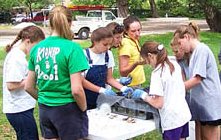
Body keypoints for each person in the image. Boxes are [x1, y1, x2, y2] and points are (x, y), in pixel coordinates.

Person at [24, 6, 89, 140]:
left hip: (45, 109)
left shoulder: (37, 49)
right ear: (70, 23)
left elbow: (28, 87)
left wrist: (45, 100)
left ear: (49, 23)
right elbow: (76, 89)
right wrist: (83, 108)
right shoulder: (73, 48)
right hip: (68, 109)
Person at [131, 41, 192, 140]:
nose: (148, 64)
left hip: (171, 119)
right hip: (182, 113)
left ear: (150, 56)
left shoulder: (157, 74)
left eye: (147, 60)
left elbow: (159, 103)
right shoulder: (173, 64)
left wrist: (143, 96)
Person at [172, 22, 221, 140]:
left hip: (209, 104)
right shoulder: (193, 53)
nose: (180, 47)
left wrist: (175, 90)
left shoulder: (202, 50)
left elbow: (197, 79)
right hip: (200, 103)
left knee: (210, 137)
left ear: (187, 37)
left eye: (180, 43)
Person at [2, 25, 45, 140]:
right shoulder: (16, 58)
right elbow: (11, 85)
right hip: (18, 109)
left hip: (22, 108)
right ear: (28, 41)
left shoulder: (19, 56)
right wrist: (31, 79)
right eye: (37, 46)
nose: (38, 50)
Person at [82, 27, 133, 109]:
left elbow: (109, 79)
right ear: (95, 42)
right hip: (85, 100)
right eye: (105, 44)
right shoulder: (83, 55)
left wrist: (123, 88)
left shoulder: (108, 55)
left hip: (102, 100)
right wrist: (102, 90)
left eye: (110, 44)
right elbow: (81, 81)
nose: (108, 47)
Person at [118, 15, 146, 88]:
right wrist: (136, 63)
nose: (137, 34)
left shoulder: (133, 40)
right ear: (126, 31)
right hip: (131, 85)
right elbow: (122, 71)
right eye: (133, 31)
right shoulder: (126, 44)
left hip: (137, 83)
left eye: (139, 30)